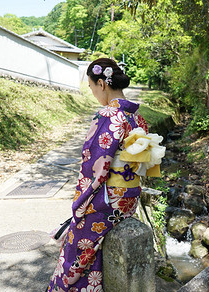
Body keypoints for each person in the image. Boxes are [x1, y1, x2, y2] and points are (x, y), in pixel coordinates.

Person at [47, 58, 164, 292]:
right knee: (95, 249)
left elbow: (95, 167)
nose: (93, 93)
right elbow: (143, 164)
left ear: (102, 83)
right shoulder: (137, 117)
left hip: (109, 199)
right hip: (129, 198)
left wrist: (80, 203)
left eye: (91, 87)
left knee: (75, 244)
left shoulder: (109, 115)